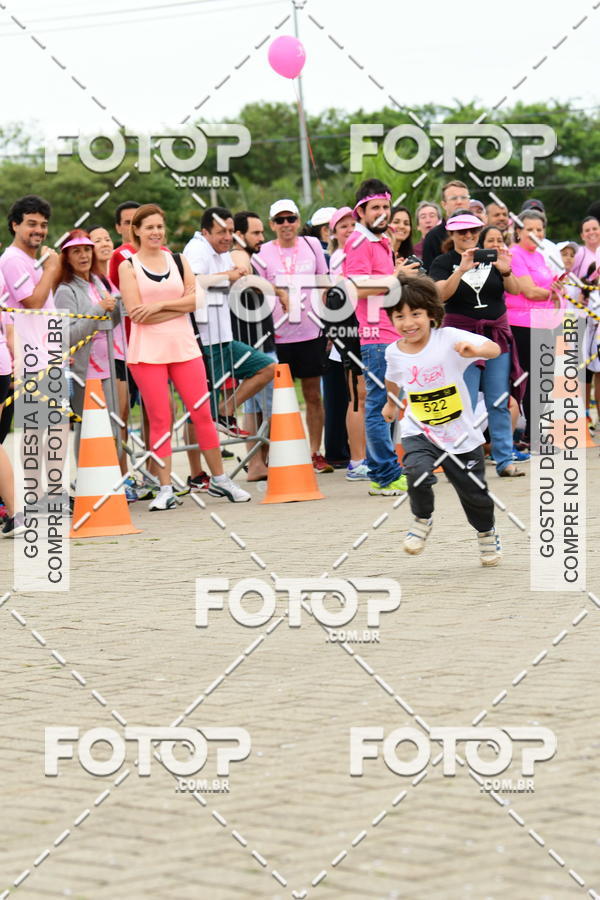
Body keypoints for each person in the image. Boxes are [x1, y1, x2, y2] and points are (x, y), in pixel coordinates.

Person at [119, 204, 251, 509]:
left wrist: (158, 307)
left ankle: (220, 479)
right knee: (160, 418)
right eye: (148, 227)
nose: (155, 232)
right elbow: (138, 315)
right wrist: (172, 305)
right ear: (136, 231)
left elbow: (196, 300)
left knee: (202, 413)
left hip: (185, 348)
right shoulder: (128, 266)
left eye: (159, 226)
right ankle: (165, 487)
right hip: (147, 353)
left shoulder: (177, 260)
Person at [382, 275, 502, 566]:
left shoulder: (448, 339)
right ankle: (422, 519)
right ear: (391, 318)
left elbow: (495, 348)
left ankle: (486, 533)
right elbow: (393, 379)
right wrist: (390, 404)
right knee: (416, 471)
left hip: (460, 434)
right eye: (400, 316)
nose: (408, 322)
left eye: (416, 314)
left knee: (474, 494)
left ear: (432, 315)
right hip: (419, 428)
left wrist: (475, 351)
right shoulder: (393, 352)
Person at [429, 213, 526, 477]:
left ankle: (504, 459)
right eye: (462, 232)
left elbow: (515, 289)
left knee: (499, 400)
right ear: (451, 234)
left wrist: (505, 269)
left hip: (495, 335)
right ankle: (463, 461)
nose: (468, 236)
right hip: (461, 339)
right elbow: (440, 295)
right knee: (464, 401)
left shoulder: (492, 258)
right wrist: (461, 268)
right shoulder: (444, 261)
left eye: (473, 231)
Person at [342, 178, 420, 495]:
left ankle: (385, 472)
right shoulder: (359, 243)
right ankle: (385, 475)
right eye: (375, 207)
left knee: (391, 405)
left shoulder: (381, 240)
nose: (382, 212)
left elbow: (382, 284)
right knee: (378, 407)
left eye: (386, 206)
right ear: (361, 211)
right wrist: (396, 276)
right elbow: (357, 287)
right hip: (375, 337)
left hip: (391, 333)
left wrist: (396, 272)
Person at [183, 207, 275, 442]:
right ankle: (198, 474)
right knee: (198, 413)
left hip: (223, 339)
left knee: (267, 368)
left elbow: (229, 279)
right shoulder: (196, 249)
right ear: (205, 232)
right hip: (202, 342)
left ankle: (225, 411)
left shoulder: (223, 250)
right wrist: (228, 275)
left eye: (231, 231)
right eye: (221, 232)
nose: (227, 237)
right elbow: (193, 282)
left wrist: (237, 274)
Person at [0, 195, 67, 507]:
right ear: (15, 225)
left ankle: (48, 493)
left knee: (51, 426)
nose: (38, 230)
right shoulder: (13, 260)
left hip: (44, 352)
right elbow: (33, 302)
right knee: (36, 429)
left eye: (43, 224)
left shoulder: (34, 261)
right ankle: (37, 496)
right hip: (26, 356)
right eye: (31, 224)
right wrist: (53, 266)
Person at [255, 199, 332, 473]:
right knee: (274, 400)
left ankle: (314, 452)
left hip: (311, 331)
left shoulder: (312, 246)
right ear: (271, 224)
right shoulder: (262, 252)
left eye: (290, 219)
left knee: (313, 395)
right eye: (280, 220)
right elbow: (255, 287)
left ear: (298, 221)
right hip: (277, 335)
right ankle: (277, 454)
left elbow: (324, 283)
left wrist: (328, 324)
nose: (286, 225)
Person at [504, 210, 562, 447]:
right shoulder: (515, 254)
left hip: (542, 321)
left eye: (540, 230)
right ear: (518, 231)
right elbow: (528, 291)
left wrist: (553, 290)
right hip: (522, 324)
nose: (536, 234)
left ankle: (536, 433)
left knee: (543, 379)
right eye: (530, 229)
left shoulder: (538, 256)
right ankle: (534, 435)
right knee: (533, 379)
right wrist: (553, 291)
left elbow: (545, 288)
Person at [88, 223, 135, 494]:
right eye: (98, 240)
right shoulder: (89, 280)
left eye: (107, 239)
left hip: (124, 351)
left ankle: (123, 474)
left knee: (123, 417)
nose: (105, 244)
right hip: (101, 357)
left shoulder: (117, 275)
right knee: (112, 418)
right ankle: (110, 478)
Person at [230, 210, 276, 481]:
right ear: (240, 235)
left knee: (256, 409)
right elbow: (248, 281)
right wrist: (277, 289)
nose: (261, 237)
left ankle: (258, 463)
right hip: (253, 339)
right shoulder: (239, 255)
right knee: (270, 407)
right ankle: (262, 462)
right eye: (256, 233)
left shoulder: (245, 256)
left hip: (255, 337)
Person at [422, 181, 471, 270]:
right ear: (444, 204)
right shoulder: (433, 236)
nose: (459, 202)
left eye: (464, 197)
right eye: (454, 198)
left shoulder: (478, 232)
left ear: (469, 202)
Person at [108, 201, 141, 290]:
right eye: (127, 222)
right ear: (118, 227)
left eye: (137, 221)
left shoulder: (164, 252)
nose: (133, 226)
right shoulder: (109, 259)